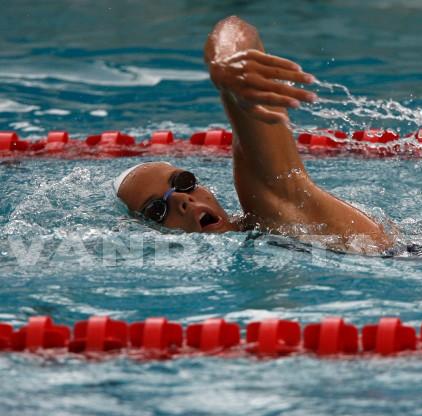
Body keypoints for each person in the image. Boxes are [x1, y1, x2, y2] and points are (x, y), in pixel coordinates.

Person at [115, 16, 392, 253]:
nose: (181, 200)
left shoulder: (271, 210)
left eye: (183, 182)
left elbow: (236, 27)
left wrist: (226, 58)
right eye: (156, 210)